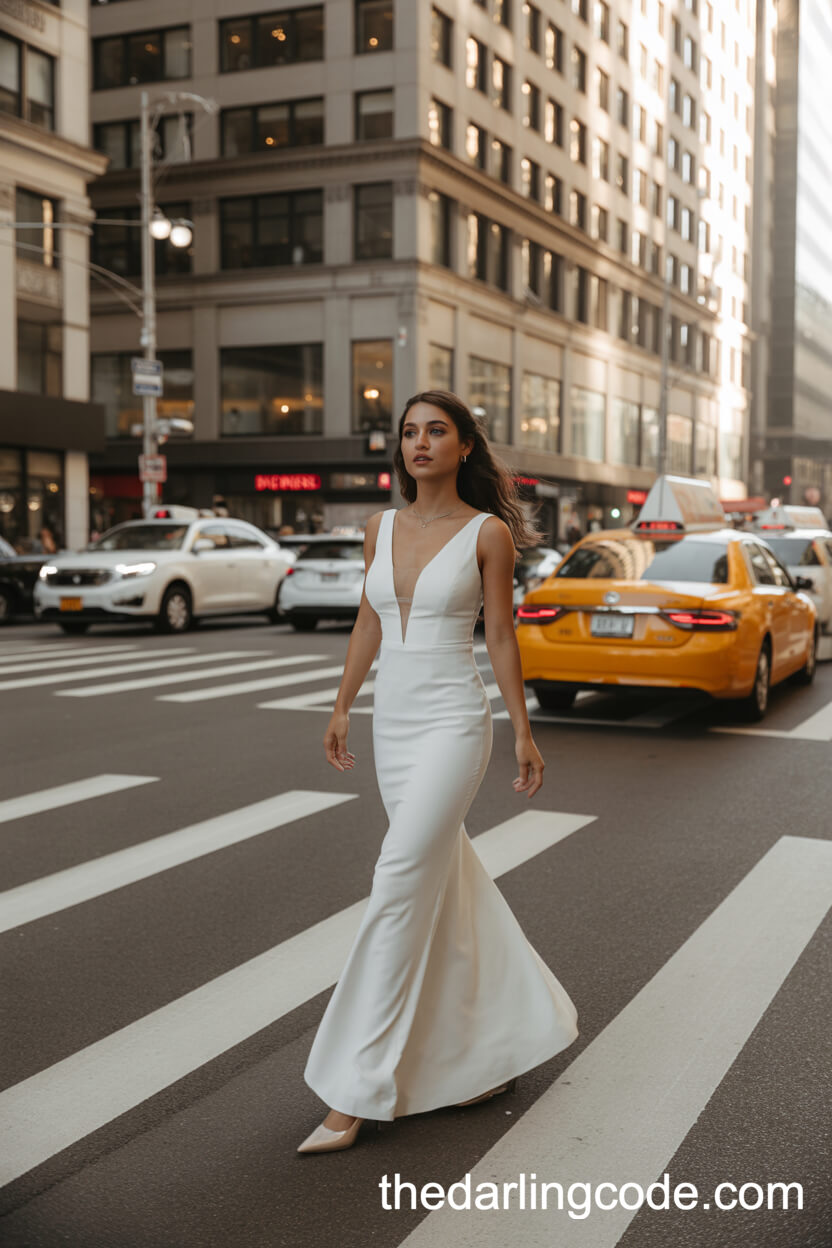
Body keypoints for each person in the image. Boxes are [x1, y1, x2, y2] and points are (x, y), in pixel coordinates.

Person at [298, 389, 579, 1154]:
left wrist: (522, 730)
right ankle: (492, 1049)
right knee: (439, 881)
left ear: (464, 448)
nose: (420, 443)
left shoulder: (488, 534)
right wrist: (342, 704)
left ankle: (353, 1086)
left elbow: (501, 639)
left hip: (456, 721)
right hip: (395, 723)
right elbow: (368, 618)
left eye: (437, 431)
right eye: (410, 432)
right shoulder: (377, 527)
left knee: (396, 882)